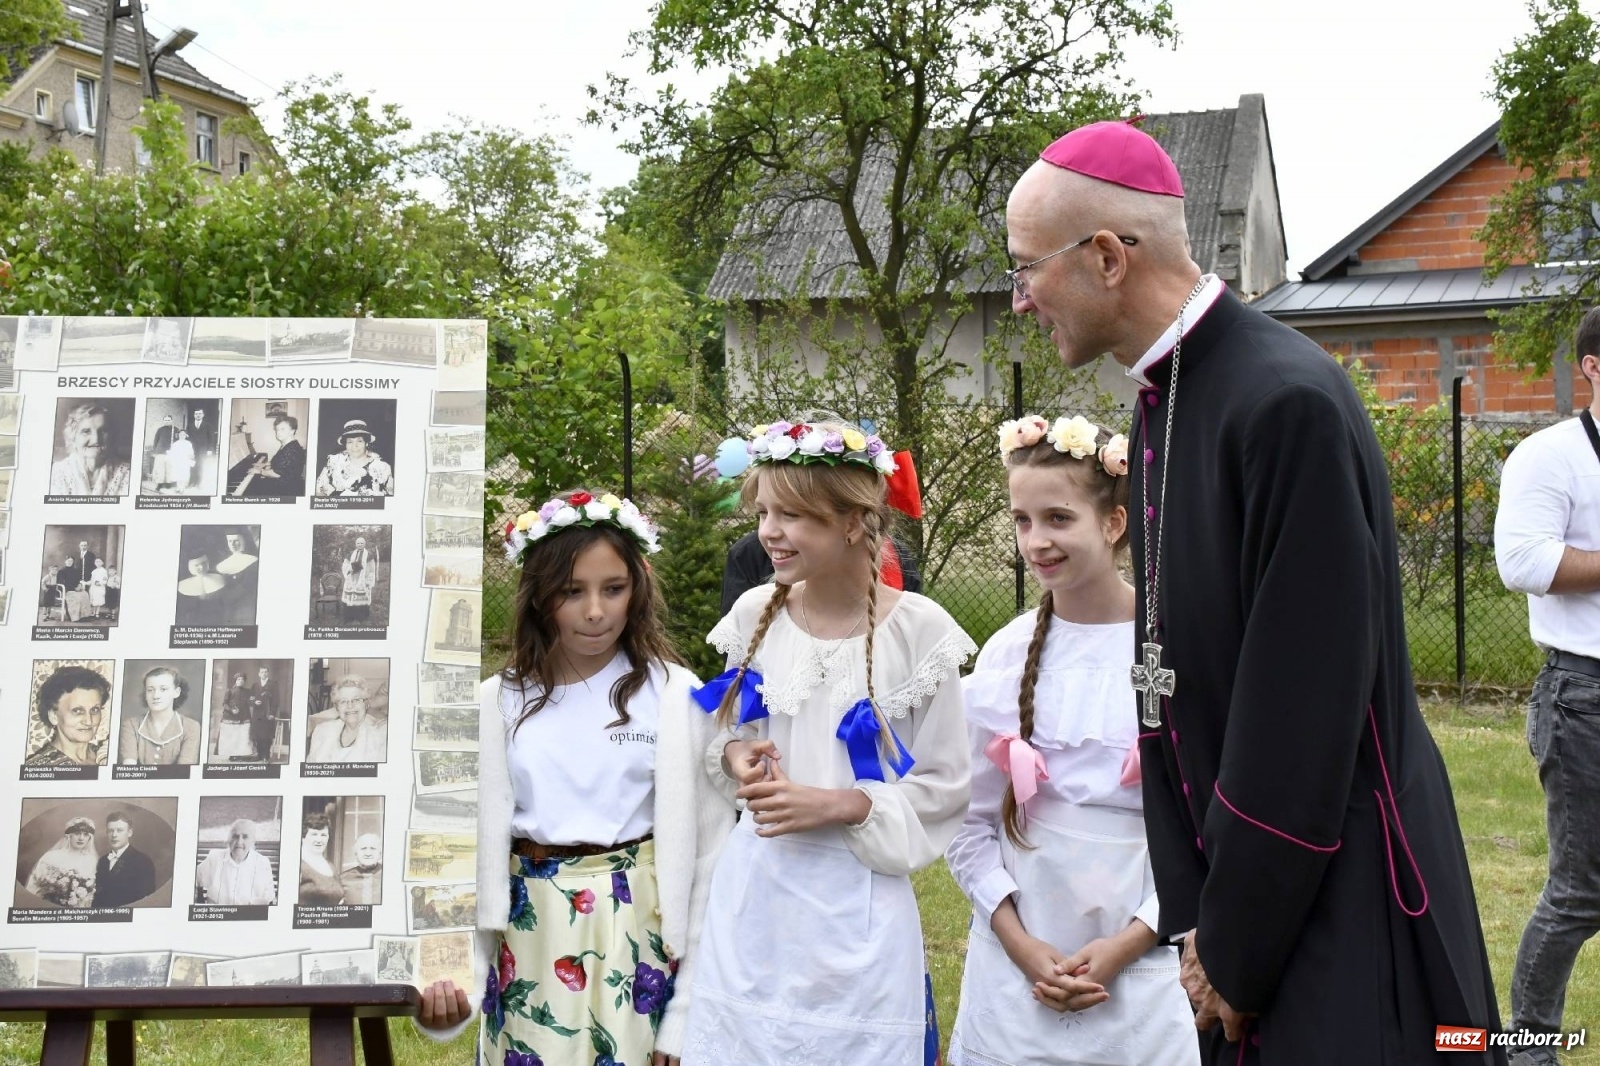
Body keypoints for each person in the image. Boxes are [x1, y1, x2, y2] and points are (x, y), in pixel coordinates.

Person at [1005, 120, 1503, 1063]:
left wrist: (1235, 946)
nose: (1020, 300)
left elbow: (1298, 720)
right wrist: (1199, 922)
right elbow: (1177, 677)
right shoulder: (1166, 401)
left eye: (1025, 269)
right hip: (1248, 909)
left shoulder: (1282, 404)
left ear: (1107, 256)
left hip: (1333, 898)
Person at [678, 418, 974, 1066]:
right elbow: (726, 728)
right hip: (756, 900)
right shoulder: (757, 614)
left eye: (793, 515)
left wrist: (841, 803)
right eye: (764, 511)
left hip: (858, 908)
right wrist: (737, 756)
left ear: (851, 521)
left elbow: (948, 785)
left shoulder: (919, 635)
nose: (769, 532)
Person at [417, 489, 734, 1066]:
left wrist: (684, 1018)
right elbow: (458, 859)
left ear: (635, 590)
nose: (595, 610)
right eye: (572, 592)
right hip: (530, 935)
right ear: (540, 597)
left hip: (639, 938)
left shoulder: (673, 696)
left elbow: (713, 856)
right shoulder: (496, 704)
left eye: (613, 589)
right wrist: (452, 978)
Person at [944, 414, 1195, 1065]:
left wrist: (1129, 945)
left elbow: (1200, 830)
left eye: (1058, 518)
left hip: (1137, 968)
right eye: (1022, 521)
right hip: (1017, 971)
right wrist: (1020, 945)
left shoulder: (1170, 647)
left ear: (1113, 523)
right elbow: (969, 827)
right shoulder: (1007, 656)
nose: (1036, 541)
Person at [1493, 307, 1600, 1066]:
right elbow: (1524, 563)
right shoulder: (1550, 454)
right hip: (1584, 695)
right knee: (1582, 892)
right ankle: (1528, 1048)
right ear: (1592, 366)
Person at [27, 664, 110, 767]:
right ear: (54, 716)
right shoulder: (39, 768)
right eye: (77, 711)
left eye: (94, 710)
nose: (89, 721)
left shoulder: (107, 755)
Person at [118, 665, 201, 766]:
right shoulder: (131, 725)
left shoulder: (191, 727)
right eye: (150, 690)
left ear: (176, 692)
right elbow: (129, 768)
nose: (156, 696)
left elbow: (183, 772)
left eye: (163, 689)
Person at [50, 402, 131, 496]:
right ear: (73, 437)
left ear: (111, 436)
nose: (96, 439)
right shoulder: (57, 473)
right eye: (86, 432)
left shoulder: (127, 473)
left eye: (103, 431)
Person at [306, 675, 389, 763]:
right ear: (337, 707)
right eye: (343, 701)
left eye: (356, 699)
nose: (350, 705)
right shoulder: (321, 731)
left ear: (367, 703)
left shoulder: (379, 735)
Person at [194, 818, 277, 905]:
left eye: (245, 837)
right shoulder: (214, 858)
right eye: (235, 836)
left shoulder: (262, 863)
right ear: (229, 840)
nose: (239, 842)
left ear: (253, 841)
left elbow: (269, 898)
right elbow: (193, 880)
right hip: (219, 915)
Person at [25, 816, 99, 908]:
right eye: (77, 833)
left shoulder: (92, 861)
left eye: (85, 834)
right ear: (69, 835)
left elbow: (92, 893)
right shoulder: (51, 857)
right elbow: (34, 884)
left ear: (90, 838)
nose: (81, 838)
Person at [230, 413, 307, 497]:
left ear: (292, 431)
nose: (278, 432)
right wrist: (264, 464)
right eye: (277, 429)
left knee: (251, 490)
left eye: (282, 429)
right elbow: (280, 461)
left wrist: (260, 471)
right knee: (253, 484)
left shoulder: (292, 450)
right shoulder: (287, 445)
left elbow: (278, 474)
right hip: (284, 484)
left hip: (285, 489)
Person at [93, 811, 157, 909]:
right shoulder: (103, 861)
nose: (114, 835)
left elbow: (146, 900)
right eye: (110, 830)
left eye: (119, 830)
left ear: (129, 833)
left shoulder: (143, 861)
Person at [315, 419, 394, 497]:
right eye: (350, 442)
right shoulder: (333, 464)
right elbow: (319, 491)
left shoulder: (382, 468)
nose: (354, 446)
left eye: (359, 441)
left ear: (366, 443)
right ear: (345, 445)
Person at [299, 812, 345, 905]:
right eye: (314, 834)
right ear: (303, 837)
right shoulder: (297, 864)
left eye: (323, 835)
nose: (319, 840)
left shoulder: (331, 867)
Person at [215, 671, 255, 760]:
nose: (240, 681)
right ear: (235, 681)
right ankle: (232, 754)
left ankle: (241, 754)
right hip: (231, 717)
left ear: (244, 681)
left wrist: (255, 702)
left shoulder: (248, 691)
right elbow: (224, 704)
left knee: (243, 736)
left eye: (242, 679)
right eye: (239, 679)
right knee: (233, 737)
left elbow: (250, 702)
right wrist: (232, 710)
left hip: (244, 717)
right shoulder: (229, 691)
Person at [340, 537, 378, 622]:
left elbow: (372, 568)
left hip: (363, 579)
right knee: (350, 597)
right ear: (355, 544)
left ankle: (361, 617)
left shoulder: (369, 554)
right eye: (358, 543)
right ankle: (349, 617)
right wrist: (349, 569)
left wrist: (369, 580)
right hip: (351, 578)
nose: (360, 545)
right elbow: (345, 564)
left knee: (361, 597)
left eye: (361, 543)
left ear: (364, 544)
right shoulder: (350, 554)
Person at [339, 833, 384, 905]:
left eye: (373, 848)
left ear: (380, 853)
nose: (368, 853)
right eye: (363, 849)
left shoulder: (389, 876)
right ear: (356, 854)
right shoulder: (342, 879)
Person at [248, 666, 277, 761]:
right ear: (259, 674)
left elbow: (276, 700)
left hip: (268, 713)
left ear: (268, 673)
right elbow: (250, 699)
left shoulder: (273, 684)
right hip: (257, 714)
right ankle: (259, 755)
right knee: (258, 735)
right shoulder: (255, 685)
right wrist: (254, 703)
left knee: (266, 735)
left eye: (265, 672)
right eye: (262, 672)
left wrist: (272, 713)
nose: (264, 674)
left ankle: (266, 756)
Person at [148, 414, 177, 492]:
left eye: (168, 420)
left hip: (171, 452)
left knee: (169, 468)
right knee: (160, 469)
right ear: (164, 421)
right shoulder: (160, 429)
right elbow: (156, 440)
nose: (167, 421)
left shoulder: (176, 429)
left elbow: (178, 441)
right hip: (160, 451)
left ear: (171, 421)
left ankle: (168, 483)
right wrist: (154, 450)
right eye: (165, 420)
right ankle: (159, 484)